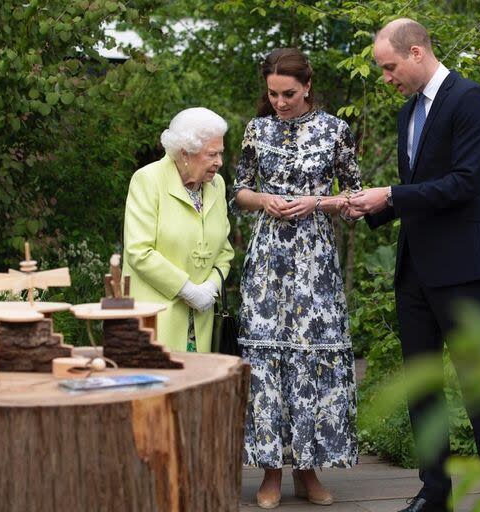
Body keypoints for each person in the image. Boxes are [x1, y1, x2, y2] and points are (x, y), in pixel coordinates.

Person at [346, 19, 480, 512]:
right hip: (415, 271)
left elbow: (465, 183)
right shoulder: (407, 112)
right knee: (422, 387)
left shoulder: (470, 99)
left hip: (463, 270)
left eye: (390, 66)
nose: (387, 77)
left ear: (417, 52)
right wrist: (373, 206)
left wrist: (392, 194)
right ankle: (434, 492)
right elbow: (419, 192)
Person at [233, 48, 361, 509]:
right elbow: (238, 190)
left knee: (310, 360)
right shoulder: (257, 129)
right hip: (268, 261)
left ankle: (308, 471)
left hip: (314, 259)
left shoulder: (335, 130)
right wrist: (263, 199)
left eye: (288, 93)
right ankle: (270, 473)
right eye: (272, 94)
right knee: (267, 363)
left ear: (307, 86)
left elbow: (356, 196)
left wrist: (317, 203)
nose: (280, 102)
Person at [122, 107, 234, 353]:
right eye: (212, 154)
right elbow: (139, 251)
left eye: (220, 153)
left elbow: (224, 252)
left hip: (200, 322)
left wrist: (210, 288)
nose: (219, 162)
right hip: (155, 317)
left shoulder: (217, 185)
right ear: (186, 153)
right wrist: (187, 290)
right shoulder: (148, 180)